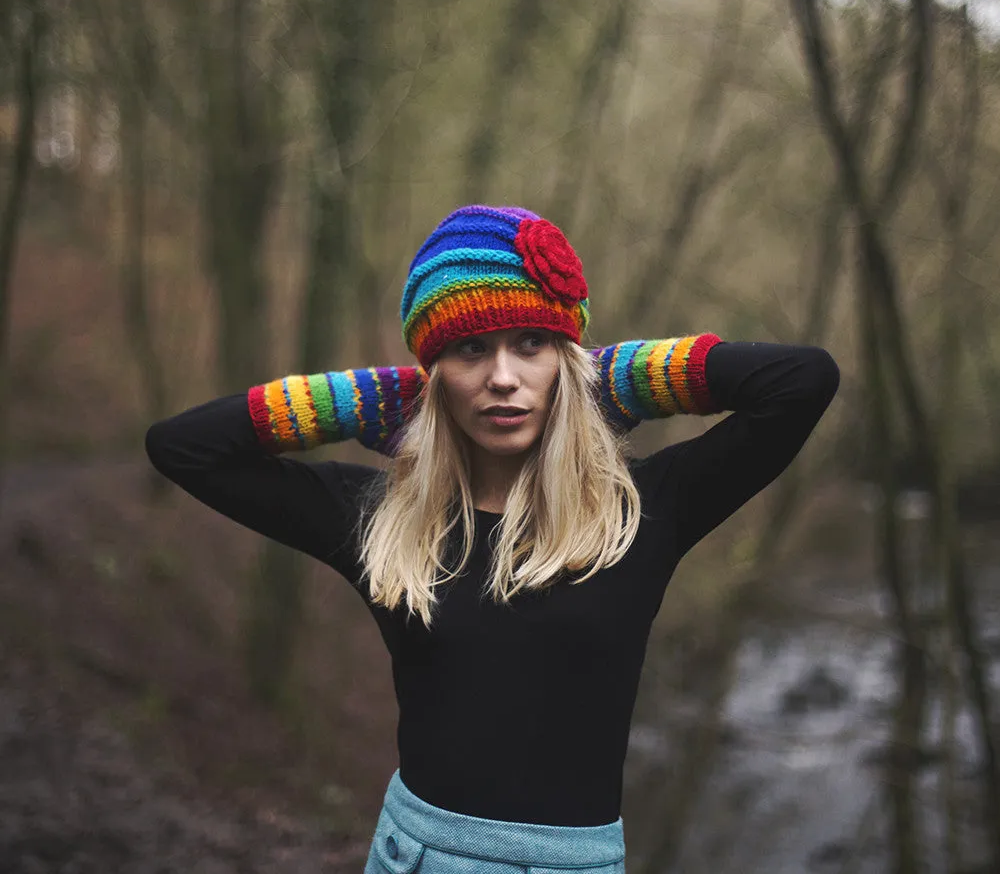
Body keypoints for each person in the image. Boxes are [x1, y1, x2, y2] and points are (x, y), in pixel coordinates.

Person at [145, 204, 839, 873]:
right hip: (417, 856)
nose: (502, 378)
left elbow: (801, 381)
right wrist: (364, 399)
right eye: (470, 349)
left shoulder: (642, 511)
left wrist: (605, 385)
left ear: (566, 360)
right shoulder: (382, 521)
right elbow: (184, 447)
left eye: (531, 344)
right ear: (435, 374)